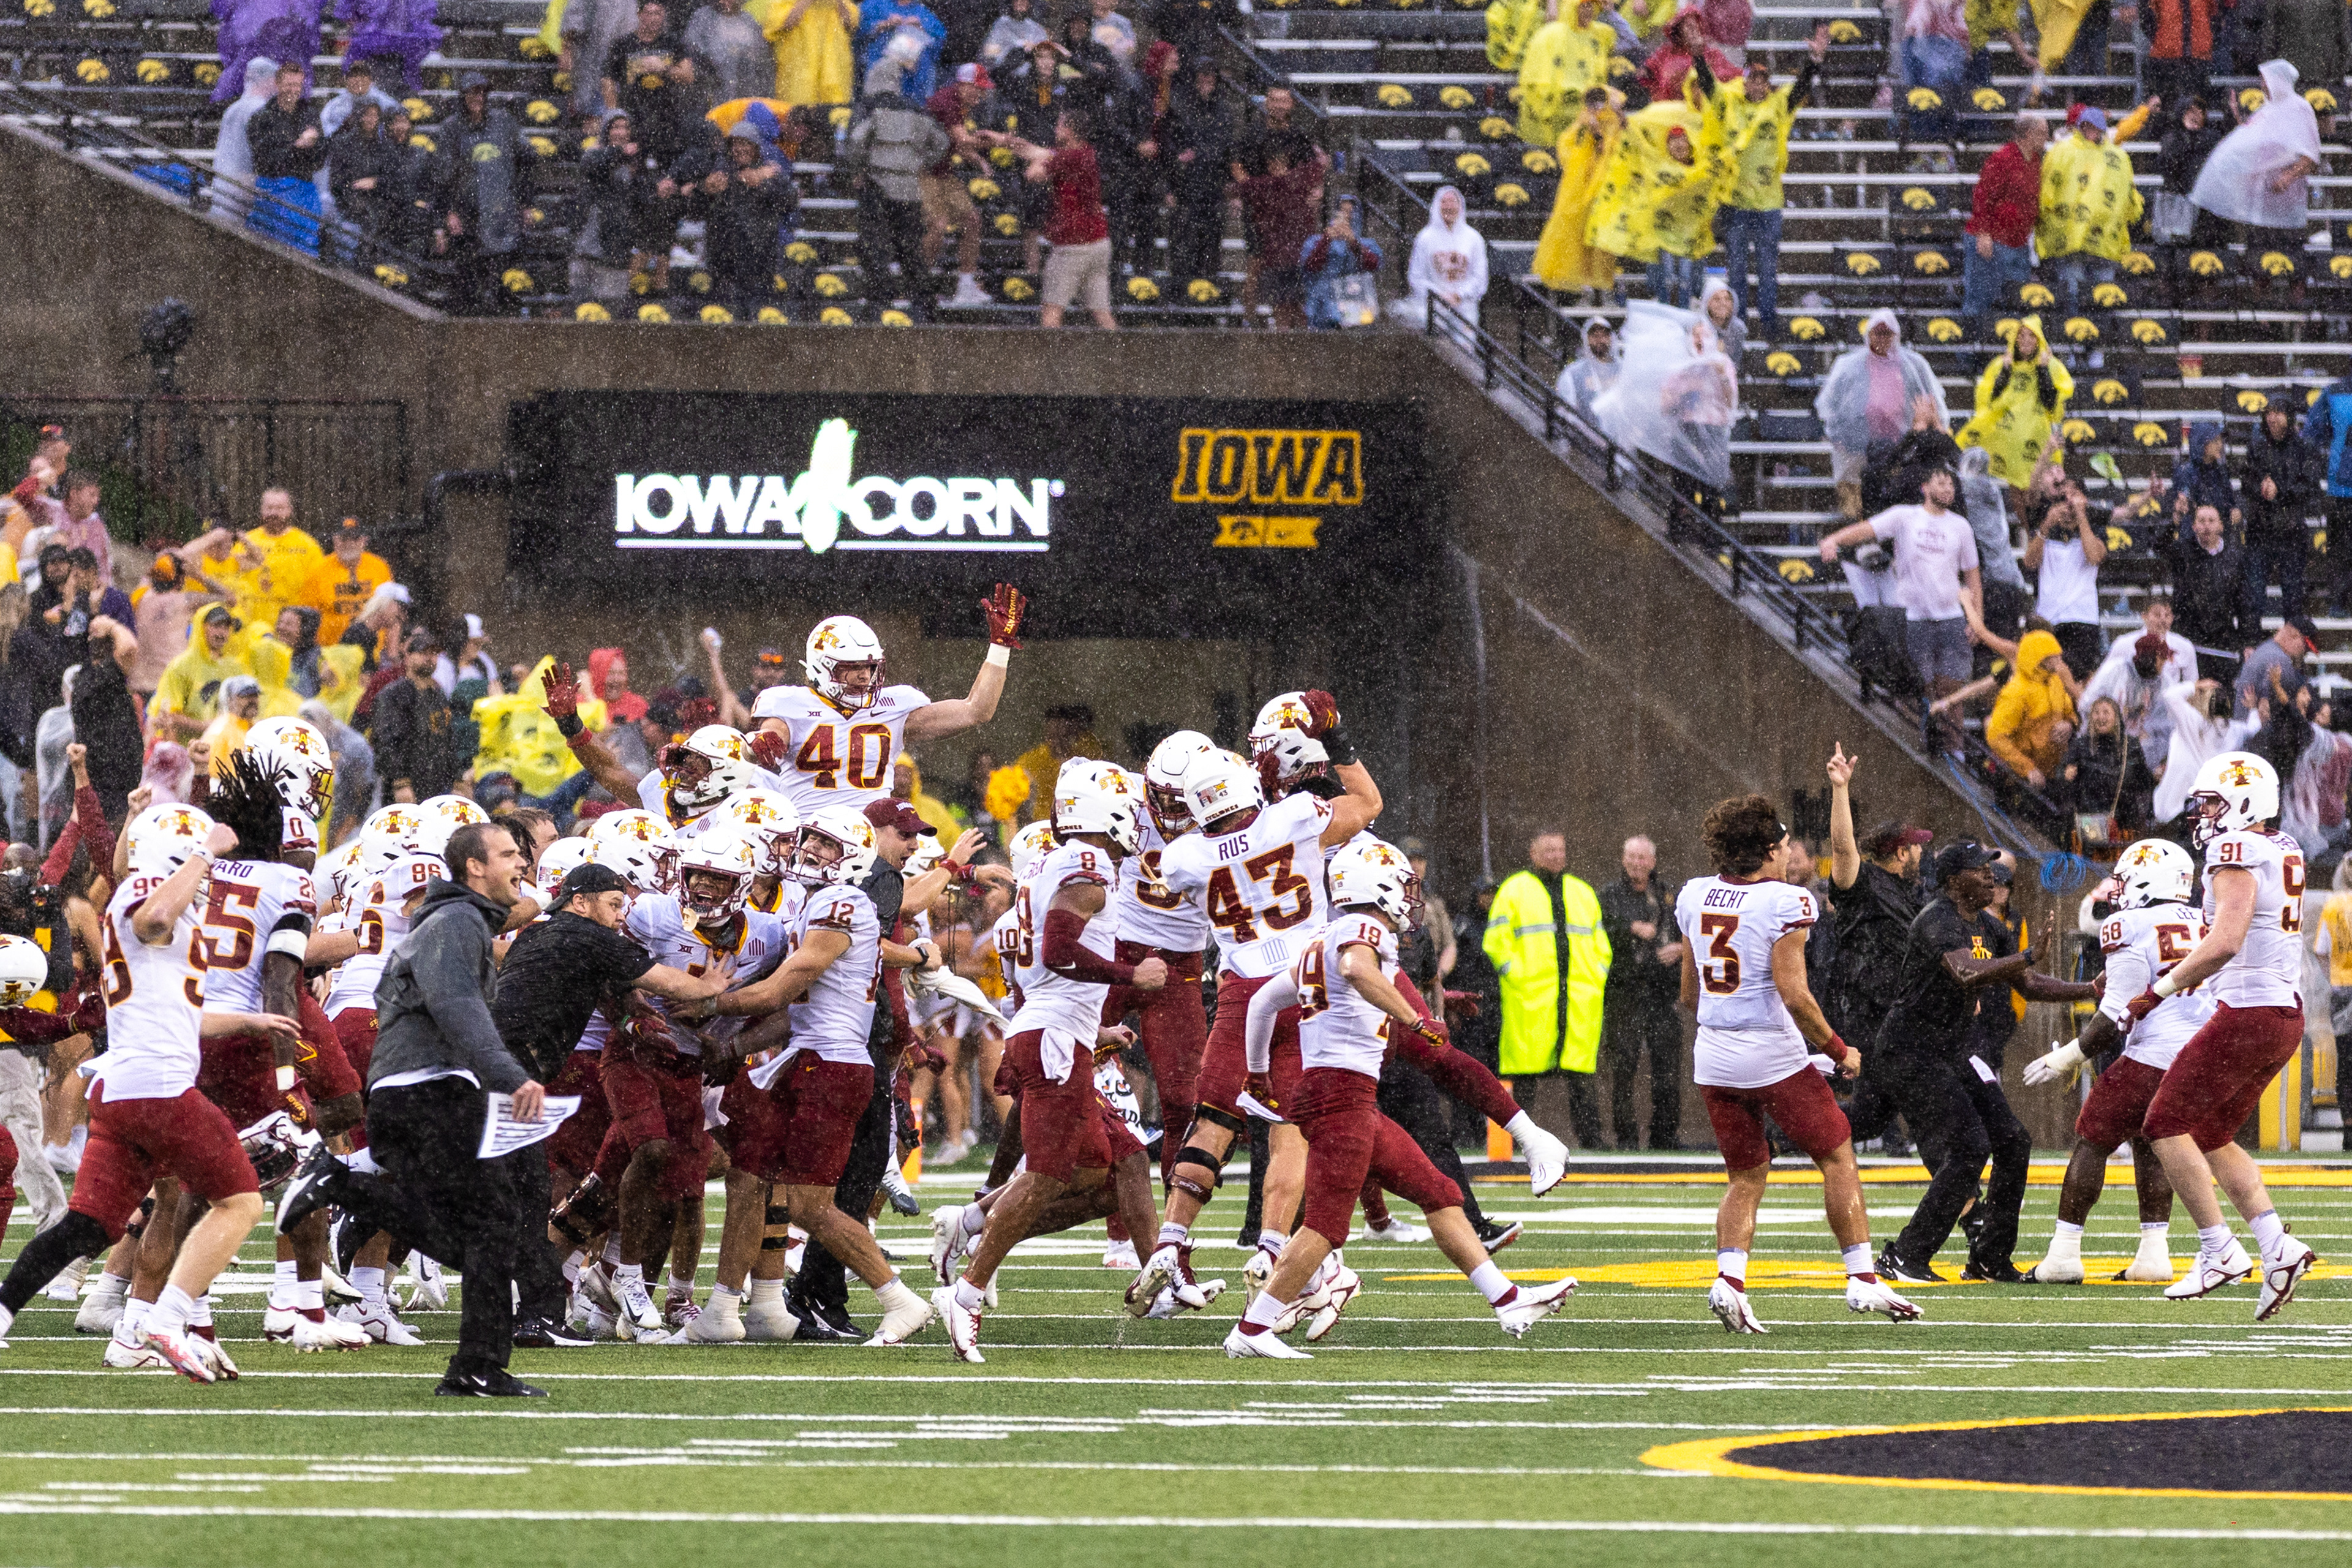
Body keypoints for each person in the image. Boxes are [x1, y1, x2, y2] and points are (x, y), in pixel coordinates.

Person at [1214, 840, 1580, 1360]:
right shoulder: (1365, 931)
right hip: (1341, 1097)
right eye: (1404, 885)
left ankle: (1507, 1299)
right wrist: (1412, 1020)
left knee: (1438, 1190)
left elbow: (1263, 1004)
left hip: (1342, 1095)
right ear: (1375, 885)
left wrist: (1256, 1075)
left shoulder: (1322, 938)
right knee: (1323, 1227)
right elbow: (1358, 971)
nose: (1410, 898)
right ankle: (1252, 1331)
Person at [0, 804, 285, 1379]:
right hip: (156, 1087)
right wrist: (205, 851)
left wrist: (250, 1022)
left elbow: (184, 1013)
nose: (208, 877)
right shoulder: (151, 894)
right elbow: (153, 915)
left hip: (125, 1089)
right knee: (243, 1201)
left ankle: (11, 1312)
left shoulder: (166, 911)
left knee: (90, 1225)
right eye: (200, 863)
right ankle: (164, 1319)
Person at [276, 821, 549, 1395]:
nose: (520, 864)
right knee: (494, 1223)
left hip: (421, 1086)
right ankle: (342, 1182)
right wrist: (506, 1074)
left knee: (479, 1230)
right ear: (474, 868)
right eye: (507, 855)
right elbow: (454, 1005)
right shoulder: (454, 921)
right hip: (429, 1088)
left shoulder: (455, 920)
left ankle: (476, 1365)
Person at [933, 764, 1169, 1362]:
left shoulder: (1063, 870)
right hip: (1054, 1040)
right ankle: (967, 1291)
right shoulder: (1086, 868)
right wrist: (1128, 974)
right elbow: (1062, 953)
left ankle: (974, 1223)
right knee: (1047, 1176)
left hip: (1054, 1034)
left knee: (1116, 1171)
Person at [1674, 795, 1922, 1333]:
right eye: (1785, 846)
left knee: (1745, 1177)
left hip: (1713, 1055)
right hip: (1770, 1052)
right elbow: (1795, 995)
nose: (1790, 855)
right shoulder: (1785, 902)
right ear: (1767, 850)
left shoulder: (1694, 895)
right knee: (1837, 1156)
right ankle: (1862, 1279)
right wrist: (1838, 1050)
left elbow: (1691, 994)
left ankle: (1730, 1281)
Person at [2122, 752, 2319, 1316]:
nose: (2202, 813)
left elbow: (2228, 938)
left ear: (2244, 801)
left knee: (2163, 1123)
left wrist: (2161, 987)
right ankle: (2277, 1247)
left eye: (2211, 801)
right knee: (2208, 1131)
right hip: (2280, 1013)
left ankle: (2218, 1250)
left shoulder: (2234, 849)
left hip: (2252, 1011)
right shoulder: (2283, 846)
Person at [1872, 840, 2094, 1282]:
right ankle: (1905, 1255)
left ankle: (1990, 1257)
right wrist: (2027, 954)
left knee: (2013, 1141)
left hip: (1955, 1049)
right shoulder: (1937, 919)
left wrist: (2089, 989)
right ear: (1955, 881)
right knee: (1971, 1146)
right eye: (1980, 869)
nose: (1991, 875)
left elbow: (2026, 984)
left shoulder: (1990, 928)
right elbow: (1967, 973)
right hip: (1912, 1051)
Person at [2021, 840, 2199, 1284]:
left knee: (2093, 1138)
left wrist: (2068, 1056)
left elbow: (2115, 1013)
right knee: (2149, 1140)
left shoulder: (2128, 924)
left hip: (2152, 1053)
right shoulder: (2203, 919)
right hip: (2196, 1056)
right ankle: (2154, 1254)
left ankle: (2063, 1256)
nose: (2119, 889)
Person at [753, 595, 1022, 819]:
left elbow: (976, 710)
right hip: (809, 837)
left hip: (871, 839)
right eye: (853, 668)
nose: (864, 677)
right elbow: (774, 731)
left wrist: (1000, 647)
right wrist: (767, 739)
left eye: (869, 667)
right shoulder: (789, 703)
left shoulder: (895, 706)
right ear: (821, 668)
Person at [1815, 468, 1983, 739]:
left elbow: (1972, 574)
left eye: (1951, 484)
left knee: (1951, 693)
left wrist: (1978, 620)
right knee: (1916, 689)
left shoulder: (1961, 526)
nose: (1947, 489)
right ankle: (1917, 744)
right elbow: (1866, 529)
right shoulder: (1905, 516)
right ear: (1925, 487)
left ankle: (1957, 752)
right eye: (1941, 483)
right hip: (1913, 619)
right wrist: (1834, 539)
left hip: (1951, 618)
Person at [1823, 749, 1926, 1154]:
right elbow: (1844, 850)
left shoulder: (1908, 894)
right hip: (1867, 1016)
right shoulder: (1863, 884)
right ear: (1900, 853)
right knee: (1925, 1103)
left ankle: (1783, 1138)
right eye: (1916, 847)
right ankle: (1968, 1201)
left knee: (1868, 1116)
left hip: (1893, 1013)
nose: (1922, 853)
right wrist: (1840, 790)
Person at [1484, 827, 1612, 1145]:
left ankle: (1592, 1146)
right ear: (1534, 854)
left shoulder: (1582, 892)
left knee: (1581, 1080)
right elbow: (1496, 942)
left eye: (1560, 851)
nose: (1556, 857)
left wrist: (1595, 977)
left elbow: (1602, 946)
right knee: (1523, 1082)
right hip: (1530, 1000)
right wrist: (1515, 974)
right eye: (1549, 851)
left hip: (1578, 1000)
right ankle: (1511, 1145)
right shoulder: (1514, 891)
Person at [1711, 30, 1822, 335]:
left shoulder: (1778, 106)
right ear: (1744, 82)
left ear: (1768, 84)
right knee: (1737, 270)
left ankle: (1769, 323)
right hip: (1735, 201)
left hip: (1769, 202)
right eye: (1752, 79)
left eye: (1762, 80)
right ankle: (1739, 324)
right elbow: (1708, 88)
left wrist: (1813, 61)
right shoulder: (1730, 106)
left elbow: (1800, 89)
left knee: (1766, 269)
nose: (1757, 85)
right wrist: (1698, 56)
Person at [846, 43, 950, 319]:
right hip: (909, 189)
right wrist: (919, 163)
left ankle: (880, 303)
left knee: (875, 248)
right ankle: (924, 305)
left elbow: (855, 143)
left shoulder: (867, 108)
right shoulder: (915, 109)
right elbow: (941, 142)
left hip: (877, 186)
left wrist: (859, 169)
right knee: (910, 249)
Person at [1814, 311, 1949, 520]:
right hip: (1854, 445)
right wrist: (1837, 434)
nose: (1882, 339)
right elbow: (1828, 404)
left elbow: (1933, 401)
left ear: (1896, 335)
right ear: (1868, 334)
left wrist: (1933, 426)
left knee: (1891, 499)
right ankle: (1859, 542)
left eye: (1887, 333)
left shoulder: (1914, 365)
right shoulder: (1848, 365)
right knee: (1855, 498)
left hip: (1899, 448)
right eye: (1878, 333)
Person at [1597, 834, 1685, 1150]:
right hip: (1625, 994)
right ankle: (1627, 1139)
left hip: (1663, 994)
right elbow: (1598, 931)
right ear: (1623, 860)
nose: (1637, 864)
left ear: (1653, 862)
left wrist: (1680, 949)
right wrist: (1629, 928)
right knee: (1623, 1070)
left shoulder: (1669, 895)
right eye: (1632, 857)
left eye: (1643, 858)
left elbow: (1693, 933)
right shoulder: (1608, 895)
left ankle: (1665, 1137)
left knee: (1668, 1069)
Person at [2191, 58, 2324, 260]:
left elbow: (2311, 155)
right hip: (2262, 198)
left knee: (2294, 261)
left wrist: (2288, 177)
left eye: (2265, 80)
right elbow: (2250, 142)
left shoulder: (2300, 108)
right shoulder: (2266, 110)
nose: (2263, 85)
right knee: (2259, 261)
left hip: (2287, 199)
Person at [442, 73, 542, 313]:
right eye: (473, 92)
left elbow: (527, 160)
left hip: (502, 211)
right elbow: (442, 175)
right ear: (463, 96)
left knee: (505, 283)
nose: (478, 97)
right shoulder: (451, 128)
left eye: (482, 92)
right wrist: (449, 211)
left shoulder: (504, 122)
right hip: (468, 215)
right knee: (468, 284)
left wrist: (526, 203)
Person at [1007, 110, 1115, 331]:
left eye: (1059, 125)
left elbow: (1033, 174)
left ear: (1070, 130)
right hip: (1099, 244)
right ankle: (1125, 363)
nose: (1056, 129)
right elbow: (1038, 152)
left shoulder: (1070, 158)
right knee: (1102, 314)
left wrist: (1035, 164)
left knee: (1051, 312)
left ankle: (1051, 364)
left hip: (1074, 247)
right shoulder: (1083, 153)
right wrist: (1004, 141)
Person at [2037, 104, 2143, 311]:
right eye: (2087, 127)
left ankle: (2098, 338)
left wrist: (2131, 213)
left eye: (2095, 128)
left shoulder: (2117, 157)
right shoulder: (2063, 152)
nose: (2091, 132)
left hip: (2103, 238)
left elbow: (2127, 191)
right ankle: (2077, 335)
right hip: (2071, 239)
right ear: (2079, 127)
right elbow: (2047, 191)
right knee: (2073, 292)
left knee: (2103, 294)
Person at [1531, 88, 1625, 299]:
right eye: (1593, 104)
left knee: (1600, 242)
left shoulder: (1615, 125)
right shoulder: (1580, 125)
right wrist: (1588, 131)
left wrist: (1601, 134)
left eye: (1601, 104)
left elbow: (1618, 154)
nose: (1596, 109)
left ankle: (1601, 288)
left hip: (1604, 195)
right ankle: (1581, 285)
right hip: (1578, 194)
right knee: (1575, 237)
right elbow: (1566, 152)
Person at [1961, 114, 2048, 337]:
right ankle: (1971, 357)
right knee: (1980, 301)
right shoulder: (2002, 159)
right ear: (2027, 134)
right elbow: (1983, 196)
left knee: (2018, 304)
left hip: (2018, 243)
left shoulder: (2036, 160)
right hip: (1994, 241)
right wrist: (1983, 233)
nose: (2046, 137)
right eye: (2042, 132)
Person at [704, 116, 799, 317]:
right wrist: (705, 189)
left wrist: (763, 184)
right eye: (736, 143)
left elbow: (789, 202)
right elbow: (699, 205)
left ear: (756, 147)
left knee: (759, 313)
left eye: (745, 143)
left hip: (760, 257)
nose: (740, 149)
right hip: (725, 260)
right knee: (726, 314)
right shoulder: (721, 169)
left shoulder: (769, 172)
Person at [2239, 404, 2323, 622]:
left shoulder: (2305, 448)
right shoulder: (2257, 447)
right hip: (2260, 530)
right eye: (2269, 413)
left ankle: (2292, 650)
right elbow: (2246, 483)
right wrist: (2261, 487)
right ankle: (2251, 646)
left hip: (2291, 531)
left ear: (2289, 416)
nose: (2272, 418)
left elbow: (2310, 488)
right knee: (2254, 596)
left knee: (2293, 598)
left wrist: (2281, 491)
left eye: (2278, 413)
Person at [2161, 503, 2260, 684]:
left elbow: (2246, 604)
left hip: (2223, 639)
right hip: (2189, 637)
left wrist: (2249, 641)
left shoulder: (2235, 557)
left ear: (2221, 526)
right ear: (2194, 527)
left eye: (2212, 521)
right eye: (2202, 521)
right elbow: (2159, 546)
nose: (2206, 526)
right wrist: (2175, 521)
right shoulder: (2182, 551)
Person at [2023, 480, 2108, 677]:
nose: (2069, 504)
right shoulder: (2045, 530)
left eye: (2074, 497)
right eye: (2063, 499)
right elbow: (2030, 563)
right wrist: (2046, 526)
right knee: (2044, 679)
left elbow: (2094, 557)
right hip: (2048, 620)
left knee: (2081, 681)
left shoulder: (2094, 529)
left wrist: (2081, 516)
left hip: (2083, 619)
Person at [246, 61, 330, 255]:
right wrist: (296, 147)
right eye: (289, 85)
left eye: (297, 85)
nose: (293, 90)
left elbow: (319, 160)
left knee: (307, 249)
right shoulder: (262, 117)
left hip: (305, 192)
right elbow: (264, 161)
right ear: (278, 84)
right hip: (274, 191)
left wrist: (314, 145)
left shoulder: (310, 114)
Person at [1985, 627, 2079, 793]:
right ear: (2040, 658)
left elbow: (2070, 712)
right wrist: (2027, 768)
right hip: (2020, 781)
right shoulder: (2016, 692)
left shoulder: (2055, 682)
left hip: (2052, 773)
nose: (2059, 660)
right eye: (2054, 657)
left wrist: (2069, 724)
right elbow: (1996, 737)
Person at [372, 628, 462, 802]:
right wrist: (400, 782)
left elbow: (448, 738)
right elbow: (386, 741)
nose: (430, 658)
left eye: (434, 653)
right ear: (408, 656)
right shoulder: (393, 694)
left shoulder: (438, 694)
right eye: (423, 653)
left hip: (436, 785)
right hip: (405, 785)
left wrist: (457, 780)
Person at [1516, 0, 1619, 152]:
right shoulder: (1551, 34)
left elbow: (1632, 44)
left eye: (1591, 6)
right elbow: (1536, 73)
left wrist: (1611, 13)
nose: (1588, 11)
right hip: (1560, 103)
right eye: (1583, 6)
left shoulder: (1602, 34)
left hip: (1590, 104)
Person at [1393, 186, 1490, 331]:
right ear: (1437, 205)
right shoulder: (1425, 238)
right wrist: (1439, 296)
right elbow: (1416, 276)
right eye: (1444, 202)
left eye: (1453, 202)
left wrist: (1459, 295)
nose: (1449, 207)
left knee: (1465, 349)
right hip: (1434, 309)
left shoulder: (1474, 239)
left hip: (1465, 308)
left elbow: (1480, 277)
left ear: (1460, 205)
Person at [2063, 695, 2157, 834]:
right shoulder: (2081, 745)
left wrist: (2149, 814)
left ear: (2117, 718)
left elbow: (2144, 782)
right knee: (2092, 853)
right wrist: (2067, 775)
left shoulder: (2131, 746)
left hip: (2125, 820)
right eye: (2096, 713)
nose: (2101, 717)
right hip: (2090, 821)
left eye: (2106, 712)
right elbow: (2062, 778)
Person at [1300, 198, 1382, 331]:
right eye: (1342, 212)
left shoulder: (1367, 244)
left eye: (1350, 212)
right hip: (1322, 305)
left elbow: (1373, 265)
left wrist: (1353, 243)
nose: (1346, 217)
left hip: (1356, 300)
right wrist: (1326, 240)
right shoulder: (1315, 242)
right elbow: (1310, 267)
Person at [685, 0, 777, 107]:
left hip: (747, 92)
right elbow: (693, 49)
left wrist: (748, 56)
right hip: (713, 91)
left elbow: (762, 54)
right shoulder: (704, 17)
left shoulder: (748, 20)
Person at [767, 0, 859, 105]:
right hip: (800, 67)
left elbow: (850, 24)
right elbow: (786, 23)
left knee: (836, 111)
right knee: (798, 110)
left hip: (833, 69)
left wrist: (838, 3)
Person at [854, 0, 946, 104]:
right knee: (878, 106)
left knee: (911, 110)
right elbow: (856, 27)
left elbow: (940, 37)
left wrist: (921, 25)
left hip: (913, 79)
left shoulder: (921, 11)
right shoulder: (875, 4)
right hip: (881, 70)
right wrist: (885, 24)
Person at [2236, 614, 2315, 720]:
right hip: (2256, 733)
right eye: (2306, 647)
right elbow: (2266, 710)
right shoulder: (2281, 661)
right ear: (2294, 636)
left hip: (2245, 728)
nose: (2306, 653)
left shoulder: (2267, 649)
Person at [1556, 314, 1623, 422]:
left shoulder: (1623, 370)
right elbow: (1568, 413)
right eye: (1595, 336)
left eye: (1605, 335)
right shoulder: (1573, 373)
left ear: (1612, 338)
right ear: (1586, 339)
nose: (1600, 340)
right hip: (1586, 435)